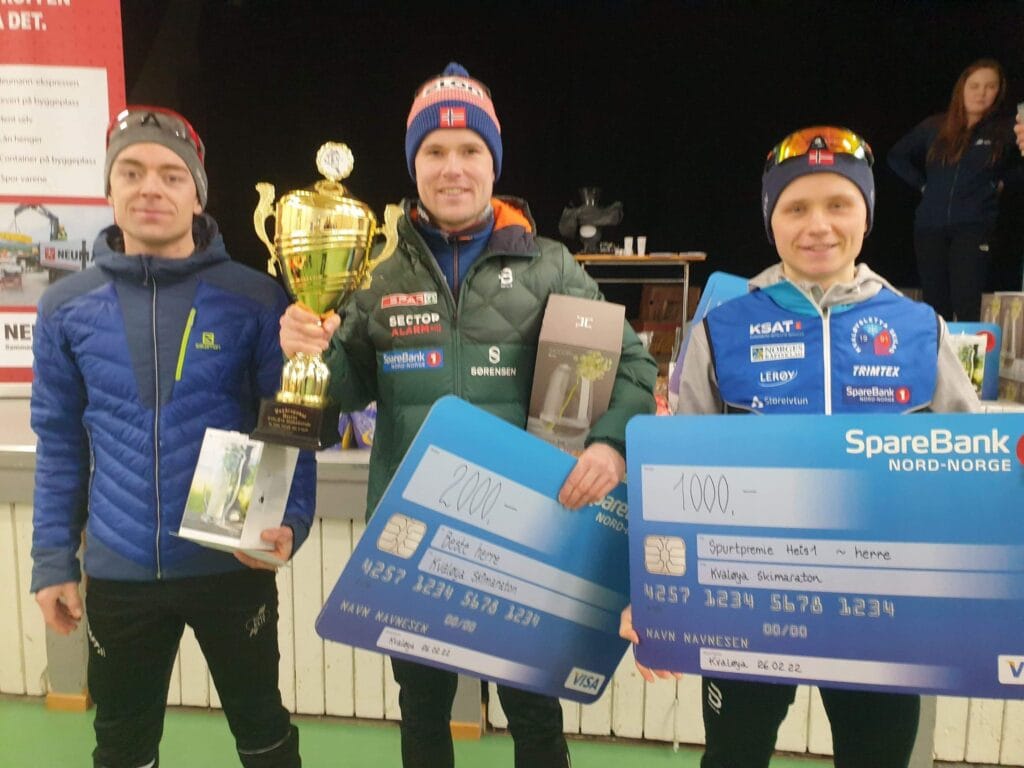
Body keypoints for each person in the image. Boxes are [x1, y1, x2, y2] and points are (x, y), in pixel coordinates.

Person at [280, 62, 657, 768]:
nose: (452, 168)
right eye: (434, 151)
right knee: (423, 712)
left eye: (469, 150)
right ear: (413, 164)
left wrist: (610, 445)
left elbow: (634, 371)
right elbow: (335, 405)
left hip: (530, 539)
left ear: (493, 163)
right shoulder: (375, 275)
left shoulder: (550, 268)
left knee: (534, 714)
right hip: (414, 535)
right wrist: (308, 352)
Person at [622, 125, 979, 767]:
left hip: (883, 612)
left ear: (866, 216)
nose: (818, 225)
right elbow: (676, 478)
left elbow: (972, 474)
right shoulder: (723, 328)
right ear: (771, 220)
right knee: (733, 758)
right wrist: (652, 593)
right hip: (747, 602)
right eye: (796, 207)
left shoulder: (918, 327)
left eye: (838, 203)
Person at [30, 106, 315, 768]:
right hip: (118, 568)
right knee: (122, 747)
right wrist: (52, 561)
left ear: (197, 194)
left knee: (265, 736)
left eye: (170, 175)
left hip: (231, 563)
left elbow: (289, 418)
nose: (150, 188)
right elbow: (60, 441)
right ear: (108, 189)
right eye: (131, 172)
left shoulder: (256, 298)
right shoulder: (65, 307)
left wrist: (292, 518)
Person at [889, 58, 1022, 321]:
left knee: (966, 303)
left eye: (990, 86)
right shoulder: (936, 126)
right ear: (962, 88)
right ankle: (938, 350)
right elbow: (896, 156)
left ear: (999, 91)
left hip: (974, 227)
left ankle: (967, 350)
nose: (981, 93)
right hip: (929, 227)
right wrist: (922, 184)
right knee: (935, 307)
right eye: (974, 86)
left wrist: (1003, 181)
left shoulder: (1005, 130)